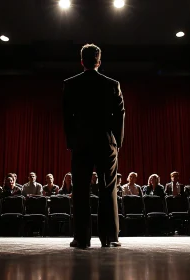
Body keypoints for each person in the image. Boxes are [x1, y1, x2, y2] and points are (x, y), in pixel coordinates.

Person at [63, 44, 125, 248]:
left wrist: (71, 141)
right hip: (106, 142)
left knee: (80, 189)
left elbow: (67, 117)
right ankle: (109, 237)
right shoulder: (112, 84)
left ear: (82, 61)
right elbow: (119, 116)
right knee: (108, 188)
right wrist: (117, 142)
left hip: (81, 142)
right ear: (99, 61)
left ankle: (82, 238)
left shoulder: (70, 84)